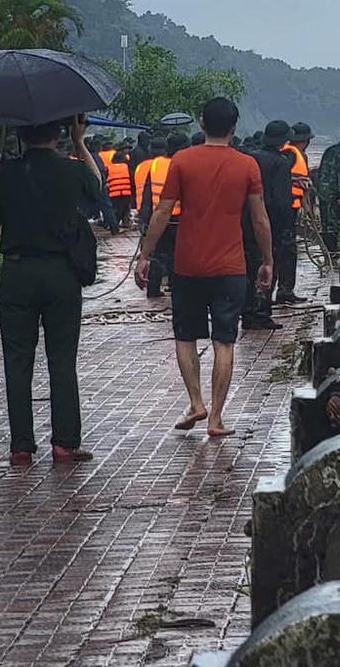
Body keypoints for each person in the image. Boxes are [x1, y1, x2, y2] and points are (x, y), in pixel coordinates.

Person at [138, 98, 271, 438]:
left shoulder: (181, 161)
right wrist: (268, 260)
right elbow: (259, 219)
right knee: (224, 342)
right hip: (230, 267)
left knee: (185, 336)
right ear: (234, 127)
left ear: (201, 123)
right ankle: (216, 419)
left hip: (188, 266)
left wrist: (146, 254)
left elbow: (163, 212)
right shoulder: (247, 166)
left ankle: (196, 402)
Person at [0, 115, 102, 465]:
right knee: (62, 359)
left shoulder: (2, 173)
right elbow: (97, 187)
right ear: (59, 133)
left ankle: (21, 446)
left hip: (17, 272)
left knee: (18, 361)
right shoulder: (72, 169)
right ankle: (64, 442)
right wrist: (80, 142)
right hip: (61, 274)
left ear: (20, 134)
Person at [241, 121, 297, 331]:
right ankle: (261, 313)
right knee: (267, 264)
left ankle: (247, 313)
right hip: (269, 222)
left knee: (248, 268)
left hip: (246, 220)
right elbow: (283, 201)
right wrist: (286, 229)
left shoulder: (250, 158)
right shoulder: (280, 163)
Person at [134, 136, 182, 299]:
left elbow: (148, 192)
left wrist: (145, 218)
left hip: (158, 217)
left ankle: (153, 289)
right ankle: (176, 289)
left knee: (158, 254)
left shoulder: (155, 164)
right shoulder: (182, 165)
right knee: (178, 256)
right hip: (179, 219)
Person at [276, 123, 313, 304]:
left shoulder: (287, 152)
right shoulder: (291, 154)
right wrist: (300, 181)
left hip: (290, 205)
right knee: (287, 250)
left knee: (283, 249)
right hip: (287, 206)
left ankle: (282, 289)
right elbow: (282, 176)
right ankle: (285, 291)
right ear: (305, 141)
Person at [316, 122, 340, 256]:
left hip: (323, 193)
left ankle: (326, 255)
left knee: (325, 224)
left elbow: (320, 172)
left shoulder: (329, 150)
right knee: (333, 227)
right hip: (334, 195)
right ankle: (332, 255)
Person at [105, 142, 135, 230]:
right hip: (126, 192)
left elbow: (105, 180)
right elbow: (132, 180)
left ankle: (112, 224)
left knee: (115, 209)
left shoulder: (109, 168)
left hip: (113, 193)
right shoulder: (126, 167)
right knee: (125, 209)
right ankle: (125, 223)